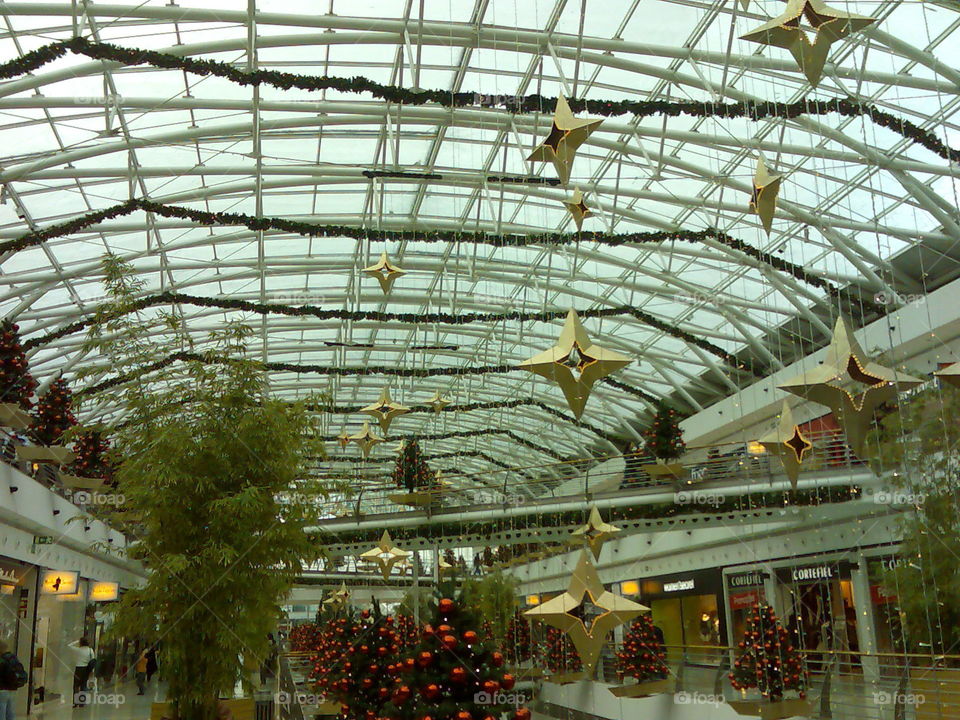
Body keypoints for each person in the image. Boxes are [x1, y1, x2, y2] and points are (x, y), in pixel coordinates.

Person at [0, 639, 28, 720]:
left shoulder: (2, 660)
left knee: (1, 714)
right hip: (13, 690)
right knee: (11, 714)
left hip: (2, 690)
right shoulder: (14, 659)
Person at [67, 637, 96, 707]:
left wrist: (76, 641)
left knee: (76, 686)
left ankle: (75, 702)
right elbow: (93, 660)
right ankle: (82, 702)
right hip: (85, 669)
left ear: (81, 643)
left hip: (78, 669)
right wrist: (92, 671)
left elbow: (69, 646)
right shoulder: (90, 650)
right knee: (83, 685)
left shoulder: (78, 650)